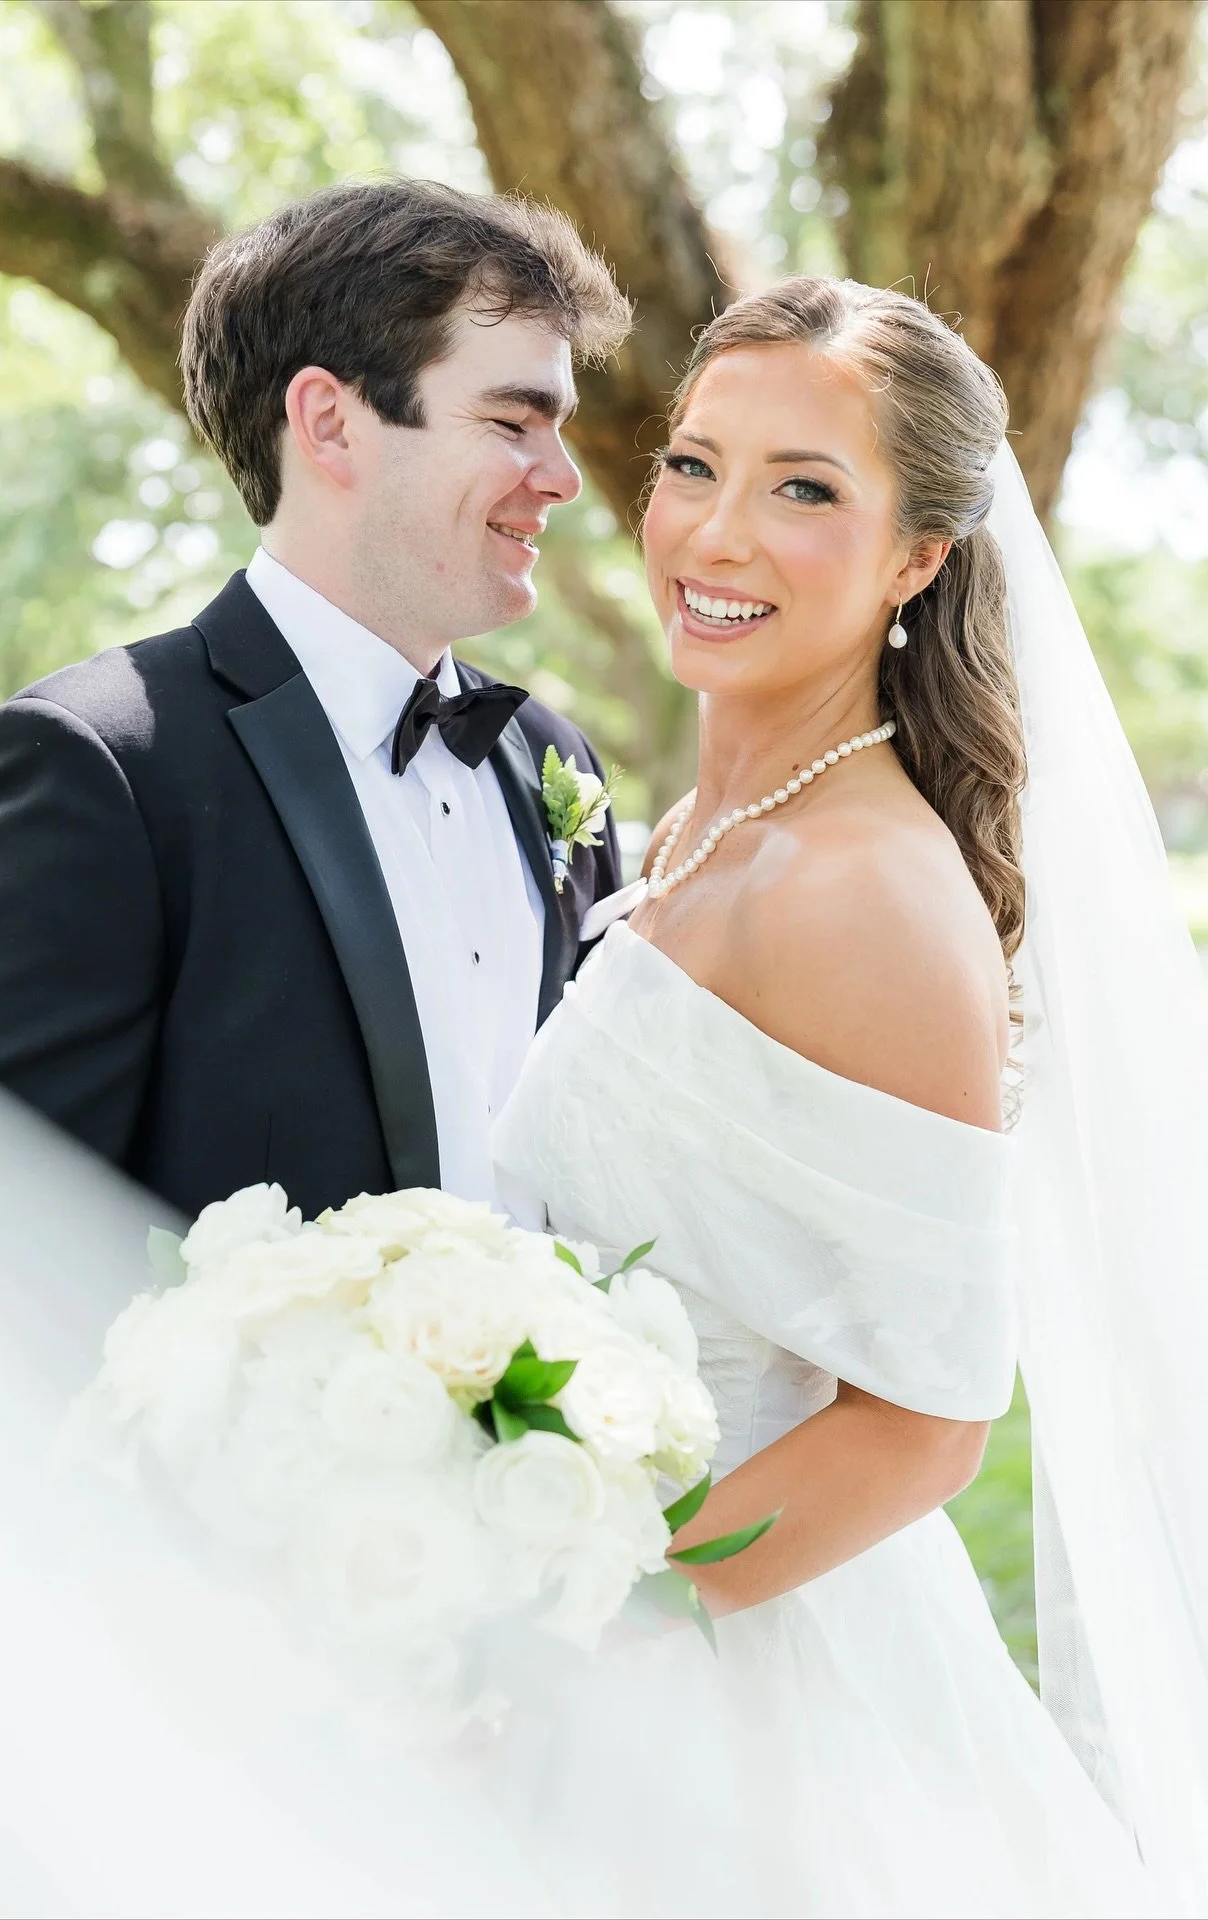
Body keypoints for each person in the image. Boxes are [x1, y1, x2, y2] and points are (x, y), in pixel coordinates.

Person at [492, 280, 1197, 1915]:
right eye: (693, 464)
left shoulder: (867, 892)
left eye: (804, 487)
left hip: (741, 1678)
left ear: (918, 558)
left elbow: (928, 1429)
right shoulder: (700, 832)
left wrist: (594, 1626)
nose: (715, 533)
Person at [0, 181, 629, 1225]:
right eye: (514, 420)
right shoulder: (100, 769)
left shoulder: (554, 763)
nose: (561, 478)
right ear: (330, 423)